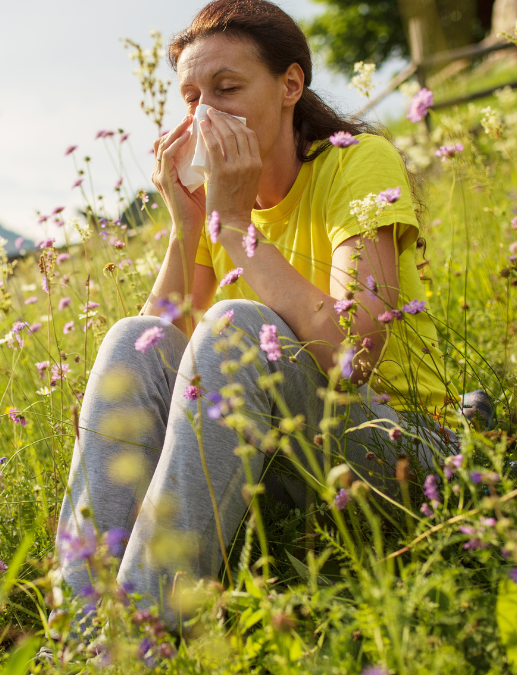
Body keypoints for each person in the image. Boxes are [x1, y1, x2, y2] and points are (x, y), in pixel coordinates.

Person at [55, 0, 457, 627]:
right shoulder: (219, 205)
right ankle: (80, 629)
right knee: (132, 335)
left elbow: (351, 356)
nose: (206, 113)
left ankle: (138, 637)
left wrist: (235, 224)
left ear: (291, 84)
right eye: (192, 97)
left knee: (237, 327)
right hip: (283, 463)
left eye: (227, 87)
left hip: (397, 451)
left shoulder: (357, 162)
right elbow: (151, 361)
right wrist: (188, 227)